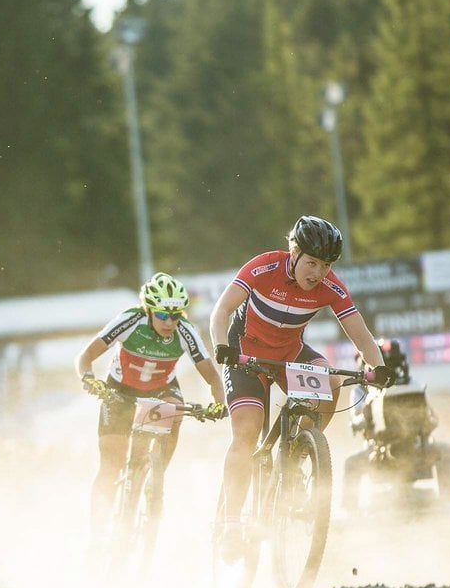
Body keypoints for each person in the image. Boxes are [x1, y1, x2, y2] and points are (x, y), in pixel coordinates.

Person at [208, 216, 395, 558]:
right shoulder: (263, 268)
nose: (318, 273)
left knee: (332, 378)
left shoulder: (330, 286)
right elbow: (220, 311)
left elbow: (360, 334)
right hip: (245, 354)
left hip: (288, 353)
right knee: (246, 431)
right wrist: (223, 347)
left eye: (326, 265)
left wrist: (378, 368)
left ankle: (301, 448)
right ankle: (232, 524)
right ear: (293, 253)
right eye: (311, 262)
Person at [76, 272, 226, 542]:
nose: (170, 322)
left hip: (160, 390)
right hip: (120, 390)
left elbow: (213, 376)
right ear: (148, 310)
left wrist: (218, 403)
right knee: (111, 464)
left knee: (176, 409)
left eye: (176, 315)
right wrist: (89, 379)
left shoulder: (185, 331)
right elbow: (85, 356)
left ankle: (155, 476)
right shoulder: (131, 320)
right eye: (162, 315)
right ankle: (96, 534)